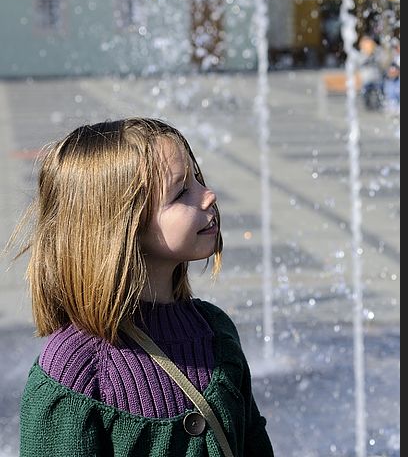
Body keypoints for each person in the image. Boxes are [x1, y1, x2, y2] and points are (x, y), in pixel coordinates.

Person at [14, 118, 274, 456]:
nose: (208, 195)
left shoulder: (216, 332)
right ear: (121, 227)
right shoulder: (76, 371)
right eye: (182, 192)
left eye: (198, 179)